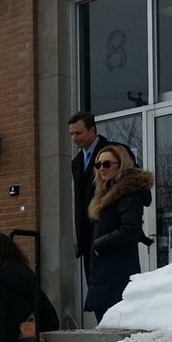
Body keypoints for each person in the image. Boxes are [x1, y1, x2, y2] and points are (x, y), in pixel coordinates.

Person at [84, 144, 154, 321]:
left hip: (116, 272)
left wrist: (99, 244)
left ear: (121, 164)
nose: (101, 169)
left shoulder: (127, 192)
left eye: (107, 164)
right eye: (98, 165)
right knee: (107, 324)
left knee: (113, 327)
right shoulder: (108, 192)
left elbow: (130, 229)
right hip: (107, 270)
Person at [68, 112, 114, 280]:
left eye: (78, 133)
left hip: (108, 231)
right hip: (87, 236)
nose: (74, 138)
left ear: (93, 131)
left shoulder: (113, 153)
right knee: (94, 285)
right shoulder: (76, 162)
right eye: (71, 134)